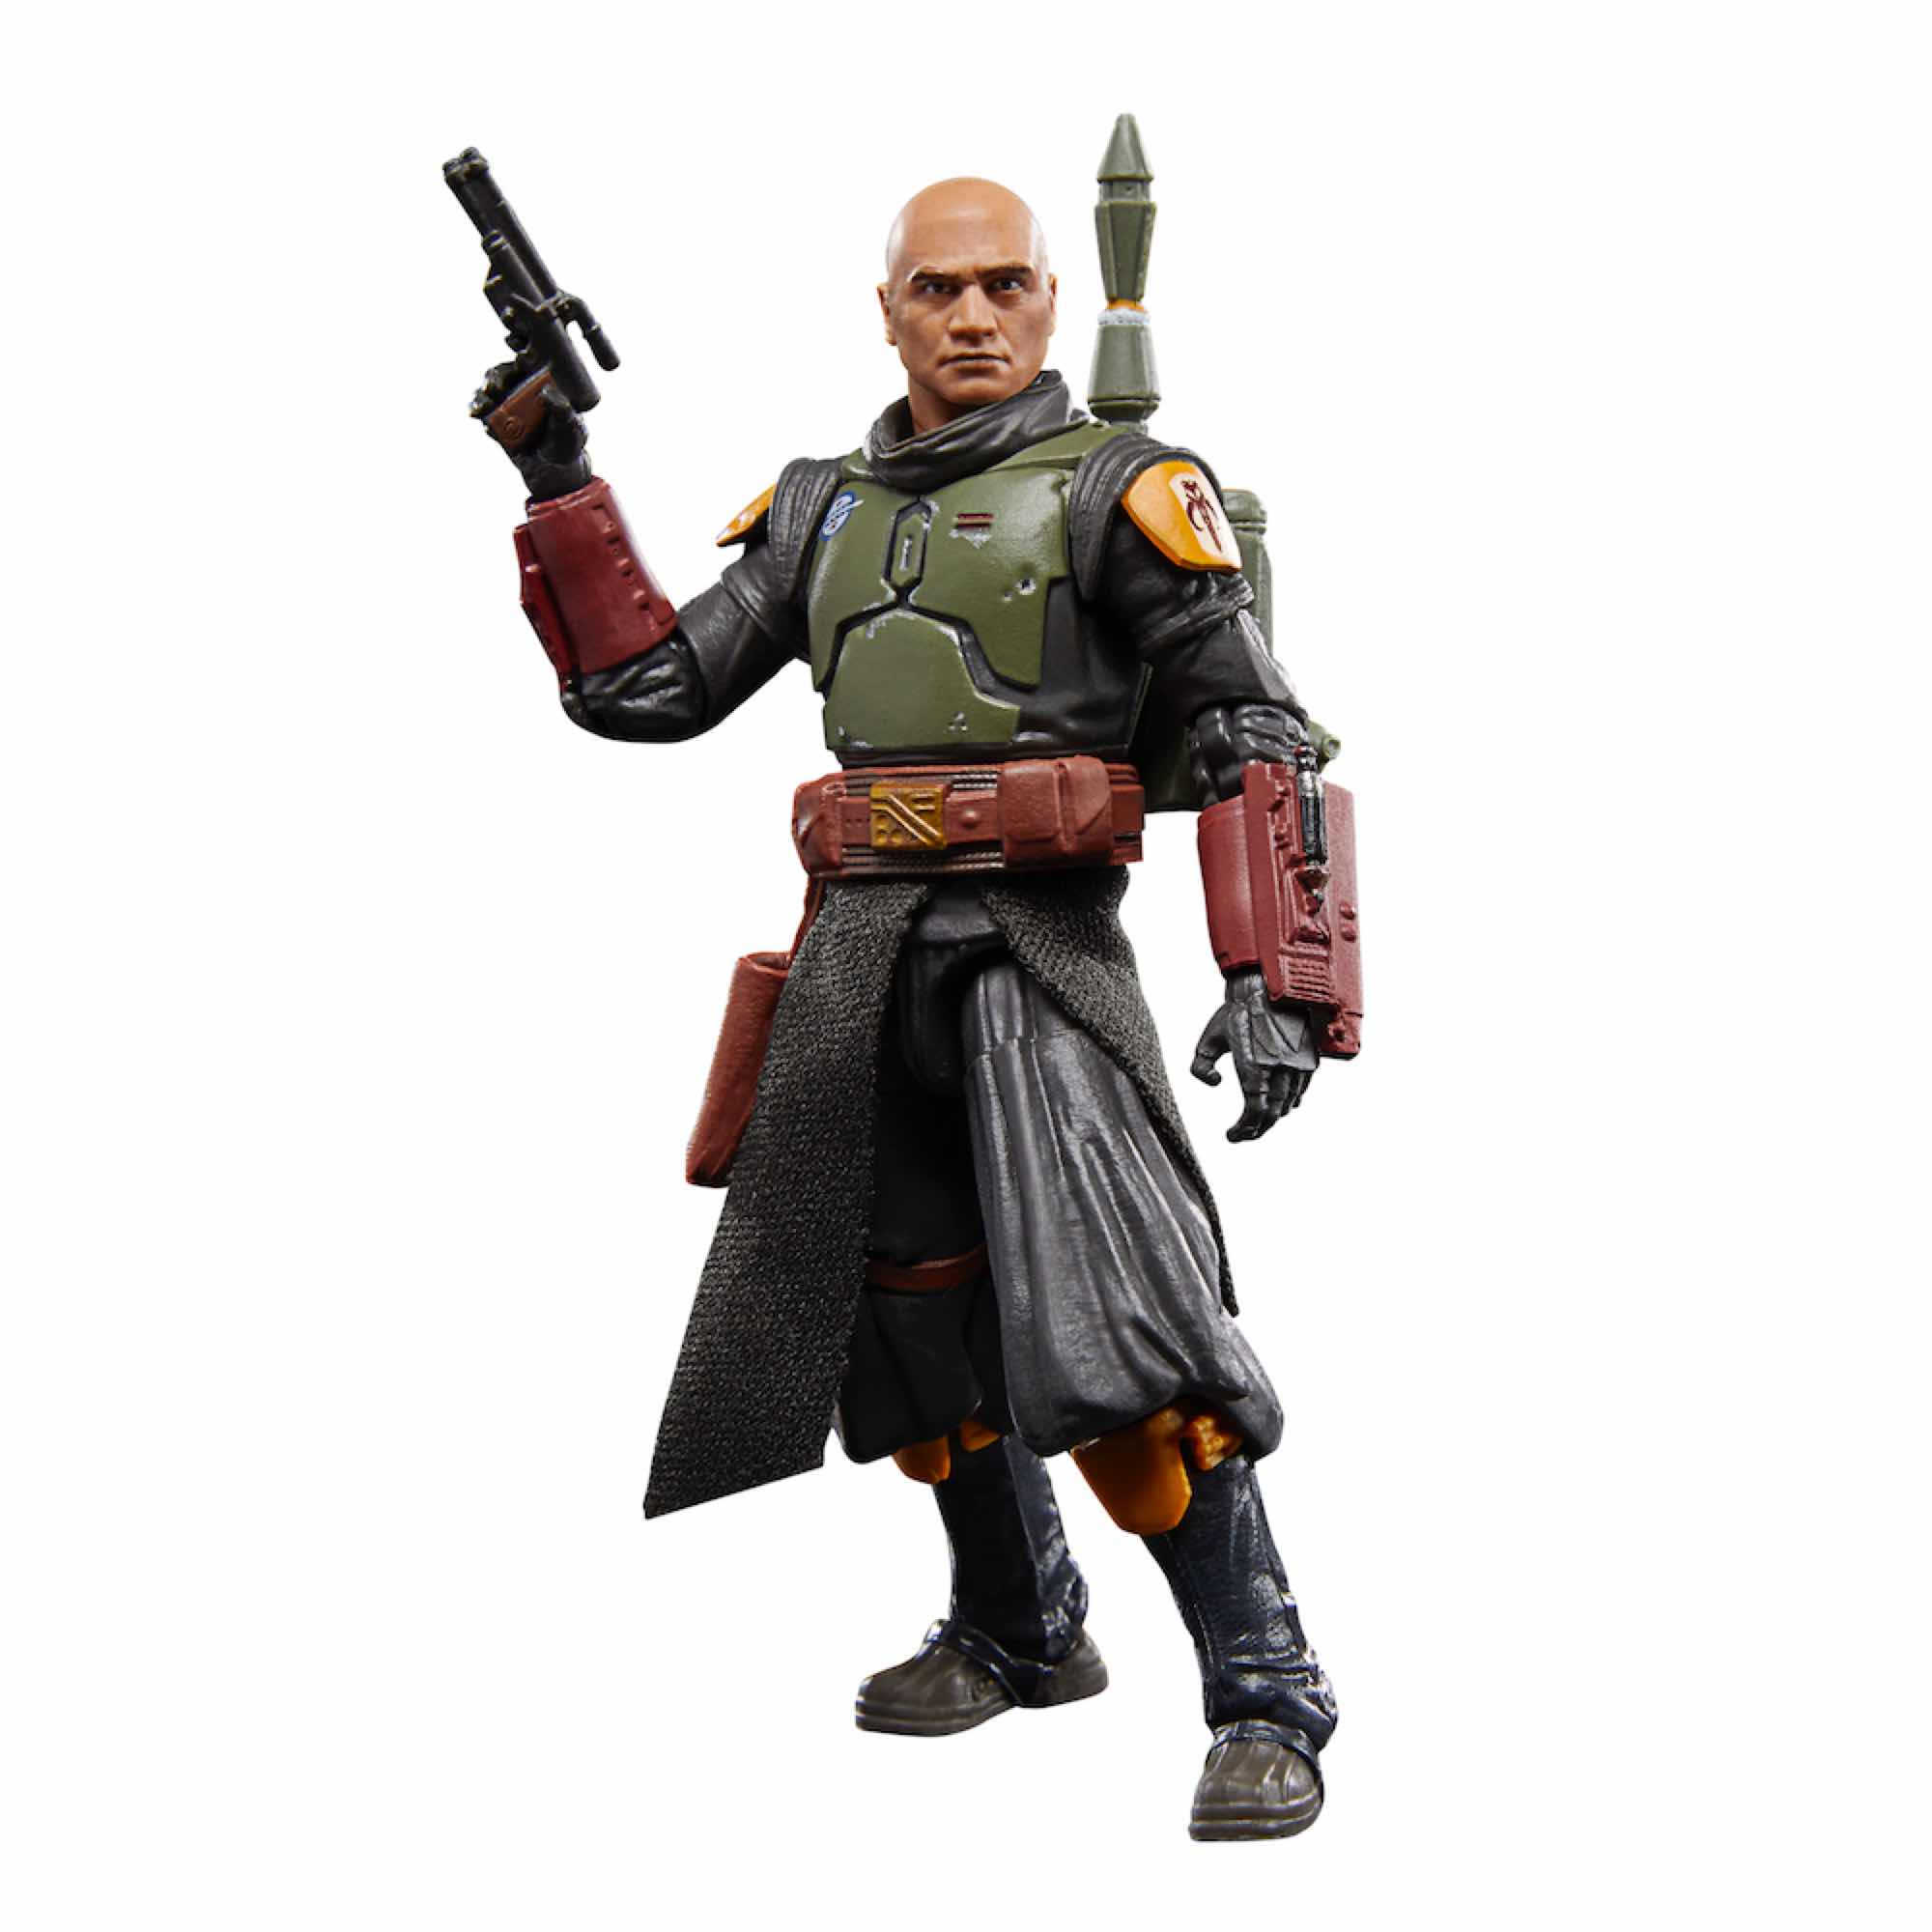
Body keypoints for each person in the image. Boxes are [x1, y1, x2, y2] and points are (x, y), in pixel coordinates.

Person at [474, 177, 1344, 1840]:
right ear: (887, 312)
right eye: (937, 289)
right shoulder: (821, 510)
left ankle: (1267, 1694)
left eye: (1005, 283)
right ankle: (1021, 1627)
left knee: (1129, 1341)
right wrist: (556, 471)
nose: (972, 316)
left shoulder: (1120, 491)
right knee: (914, 1338)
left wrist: (1280, 980)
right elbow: (647, 689)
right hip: (864, 955)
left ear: (1050, 298)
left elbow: (1254, 728)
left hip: (1039, 953)